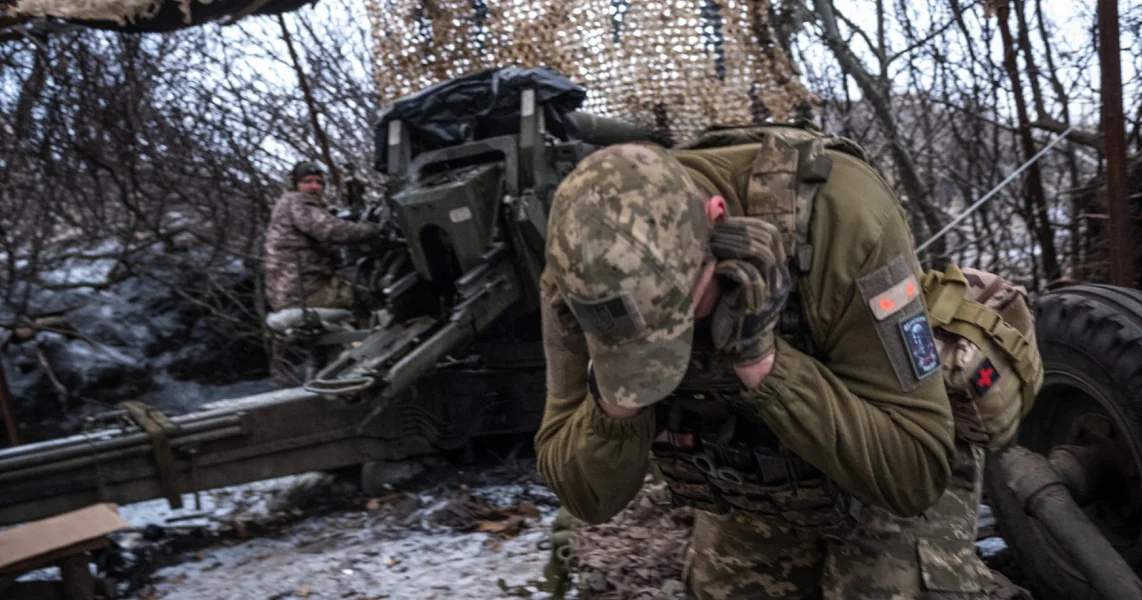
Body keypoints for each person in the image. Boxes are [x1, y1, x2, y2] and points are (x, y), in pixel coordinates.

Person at [534, 128, 994, 598]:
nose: (665, 347)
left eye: (682, 315)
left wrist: (763, 361)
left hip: (877, 457)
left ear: (718, 221)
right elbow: (586, 496)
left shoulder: (845, 216)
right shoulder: (580, 270)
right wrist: (618, 388)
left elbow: (915, 472)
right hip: (756, 476)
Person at [264, 161, 380, 312]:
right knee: (368, 292)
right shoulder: (296, 200)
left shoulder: (287, 205)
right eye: (307, 181)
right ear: (295, 185)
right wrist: (372, 229)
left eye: (319, 182)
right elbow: (330, 230)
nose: (314, 186)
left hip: (288, 295)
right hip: (305, 296)